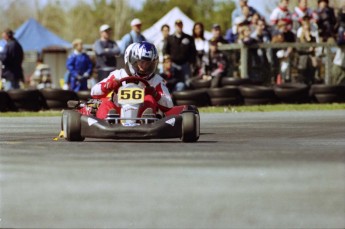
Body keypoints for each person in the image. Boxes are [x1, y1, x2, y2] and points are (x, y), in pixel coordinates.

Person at [90, 41, 173, 120]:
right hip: (118, 114)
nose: (144, 66)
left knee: (149, 98)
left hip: (142, 118)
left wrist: (155, 94)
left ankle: (145, 121)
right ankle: (108, 122)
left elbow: (169, 104)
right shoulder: (118, 75)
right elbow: (93, 92)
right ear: (133, 60)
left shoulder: (156, 80)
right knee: (105, 103)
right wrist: (108, 86)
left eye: (148, 63)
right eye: (141, 62)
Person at [163, 19, 197, 89]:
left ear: (182, 26)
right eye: (177, 25)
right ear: (175, 26)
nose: (179, 27)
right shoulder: (170, 38)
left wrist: (191, 63)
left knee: (187, 82)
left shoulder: (188, 38)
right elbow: (165, 51)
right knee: (175, 82)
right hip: (174, 65)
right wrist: (168, 63)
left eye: (180, 25)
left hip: (185, 64)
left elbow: (193, 51)